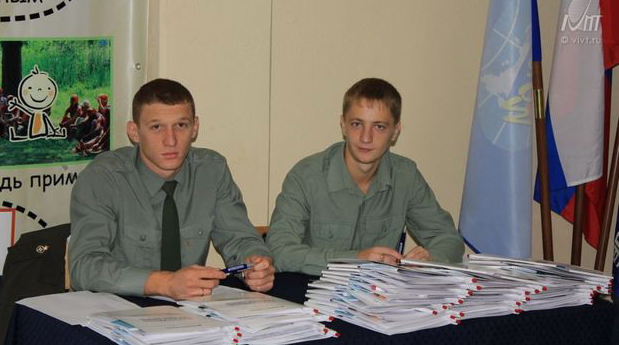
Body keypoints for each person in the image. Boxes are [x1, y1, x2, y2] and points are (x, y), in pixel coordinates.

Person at [69, 78, 274, 299]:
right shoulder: (103, 177)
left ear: (195, 127)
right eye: (156, 127)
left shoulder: (211, 170)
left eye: (181, 125)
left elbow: (239, 239)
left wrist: (255, 263)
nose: (171, 140)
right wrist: (165, 283)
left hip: (190, 309)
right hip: (118, 308)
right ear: (134, 132)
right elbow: (84, 267)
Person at [266, 78, 464, 276]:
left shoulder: (405, 176)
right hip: (310, 288)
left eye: (379, 127)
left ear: (395, 132)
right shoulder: (306, 176)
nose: (366, 138)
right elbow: (279, 251)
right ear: (343, 124)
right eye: (357, 124)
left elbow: (449, 239)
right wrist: (356, 260)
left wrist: (431, 258)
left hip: (378, 291)